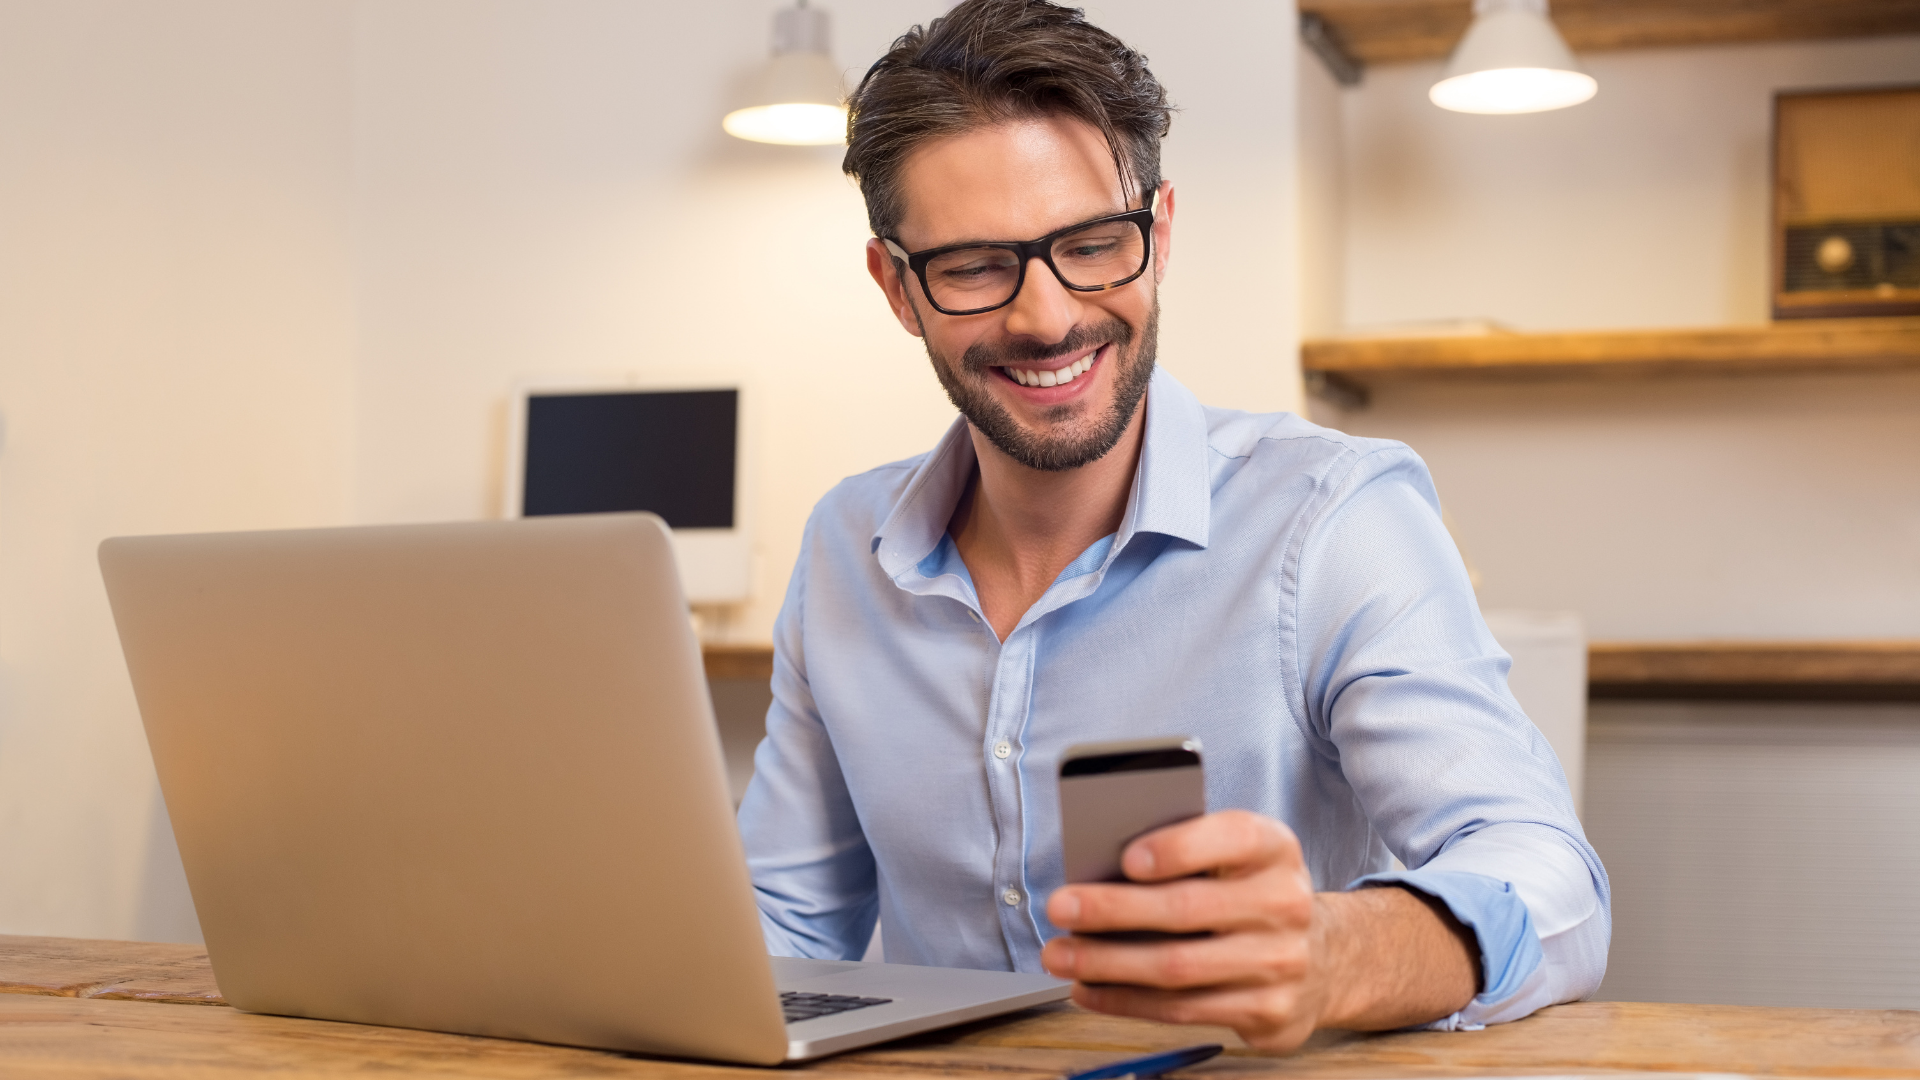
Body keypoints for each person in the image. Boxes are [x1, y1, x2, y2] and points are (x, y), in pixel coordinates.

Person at [736, 0, 1608, 1050]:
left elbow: (1547, 879)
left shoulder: (1332, 518)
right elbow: (784, 931)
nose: (1048, 316)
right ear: (897, 287)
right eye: (973, 266)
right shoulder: (845, 549)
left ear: (1160, 234)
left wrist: (1340, 952)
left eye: (1095, 244)